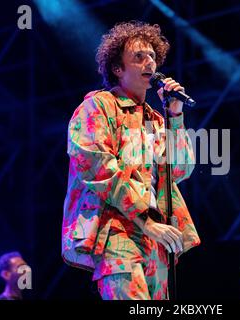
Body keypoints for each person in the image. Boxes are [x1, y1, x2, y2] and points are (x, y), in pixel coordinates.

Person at [62, 21, 200, 300]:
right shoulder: (98, 106)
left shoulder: (156, 120)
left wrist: (175, 115)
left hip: (157, 238)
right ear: (117, 69)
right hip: (118, 231)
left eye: (152, 56)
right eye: (138, 57)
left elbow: (181, 170)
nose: (149, 61)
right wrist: (145, 220)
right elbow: (99, 168)